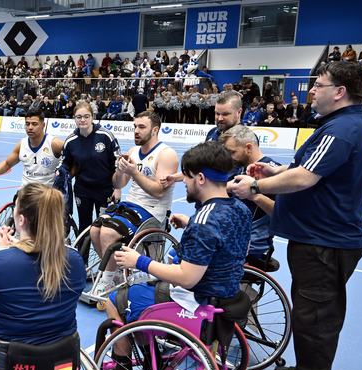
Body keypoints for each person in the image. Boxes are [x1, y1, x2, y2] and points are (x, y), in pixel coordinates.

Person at [231, 61, 362, 370]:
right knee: (311, 313)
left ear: (339, 92)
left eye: (319, 85)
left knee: (317, 318)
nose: (311, 90)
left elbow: (306, 178)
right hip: (319, 238)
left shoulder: (341, 129)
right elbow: (314, 172)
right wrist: (276, 170)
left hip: (325, 242)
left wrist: (258, 184)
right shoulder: (340, 125)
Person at [109, 141, 251, 337]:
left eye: (187, 176)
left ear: (201, 178)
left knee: (116, 299)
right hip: (227, 293)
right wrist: (190, 224)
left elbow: (187, 278)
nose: (183, 181)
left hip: (195, 300)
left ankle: (126, 366)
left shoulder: (204, 221)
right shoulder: (241, 208)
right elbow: (241, 248)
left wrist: (139, 261)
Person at [0, 183, 86, 359]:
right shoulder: (75, 260)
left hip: (12, 363)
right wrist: (16, 247)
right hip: (62, 357)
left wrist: (4, 251)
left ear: (21, 220)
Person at [88, 111, 178, 291]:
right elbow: (118, 183)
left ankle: (107, 280)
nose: (136, 131)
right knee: (95, 229)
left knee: (108, 232)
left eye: (141, 127)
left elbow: (159, 192)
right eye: (135, 127)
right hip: (130, 205)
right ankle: (113, 274)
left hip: (152, 210)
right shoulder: (133, 151)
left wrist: (134, 172)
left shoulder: (166, 154)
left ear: (155, 130)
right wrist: (121, 171)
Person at [220, 125, 280, 270]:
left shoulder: (271, 172)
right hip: (235, 238)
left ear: (248, 147)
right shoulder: (245, 167)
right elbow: (232, 184)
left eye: (232, 152)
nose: (229, 157)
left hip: (250, 243)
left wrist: (255, 196)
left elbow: (280, 213)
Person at [60, 102, 121, 234]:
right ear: (74, 119)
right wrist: (60, 172)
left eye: (86, 116)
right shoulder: (71, 141)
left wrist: (118, 188)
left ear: (93, 117)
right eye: (79, 117)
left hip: (105, 190)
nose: (83, 120)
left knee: (104, 228)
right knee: (84, 226)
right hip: (82, 189)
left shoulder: (105, 136)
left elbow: (117, 163)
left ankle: (104, 255)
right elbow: (65, 162)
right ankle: (83, 255)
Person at [0, 108, 63, 188]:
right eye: (27, 124)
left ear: (43, 125)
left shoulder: (55, 144)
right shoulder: (22, 144)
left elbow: (73, 162)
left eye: (34, 124)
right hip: (26, 193)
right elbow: (7, 163)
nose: (30, 127)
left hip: (48, 194)